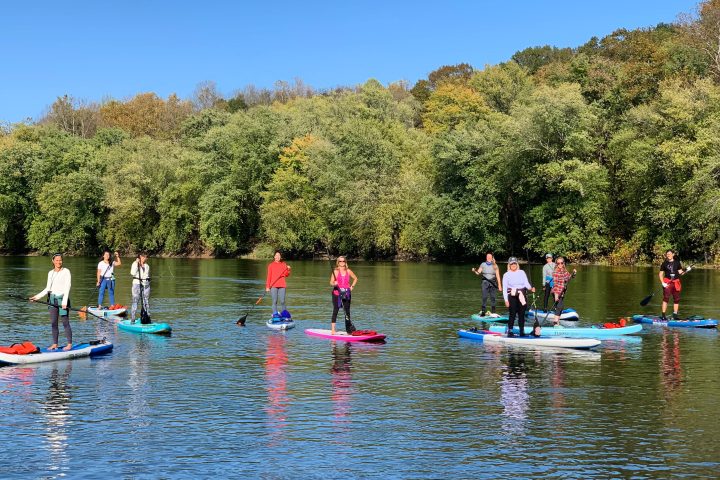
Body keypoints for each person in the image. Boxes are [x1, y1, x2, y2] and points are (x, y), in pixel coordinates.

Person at [30, 253, 73, 351]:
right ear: (53, 261)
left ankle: (69, 344)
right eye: (57, 260)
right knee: (54, 323)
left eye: (60, 260)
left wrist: (65, 301)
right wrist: (36, 297)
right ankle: (55, 344)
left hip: (63, 300)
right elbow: (47, 289)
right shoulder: (50, 273)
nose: (59, 262)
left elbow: (68, 287)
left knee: (65, 322)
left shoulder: (66, 271)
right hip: (52, 300)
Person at [502, 257, 535, 337]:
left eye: (514, 263)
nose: (513, 265)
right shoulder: (506, 275)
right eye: (511, 263)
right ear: (509, 265)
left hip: (522, 295)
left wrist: (531, 288)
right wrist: (506, 300)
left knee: (522, 314)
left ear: (517, 264)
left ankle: (521, 330)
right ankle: (510, 330)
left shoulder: (522, 272)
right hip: (512, 296)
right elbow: (504, 289)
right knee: (512, 314)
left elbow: (526, 283)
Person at [329, 256, 358, 335]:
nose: (342, 263)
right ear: (338, 262)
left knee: (347, 312)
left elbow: (355, 278)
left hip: (346, 293)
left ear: (345, 262)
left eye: (343, 261)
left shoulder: (348, 271)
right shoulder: (335, 271)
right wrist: (334, 283)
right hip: (337, 293)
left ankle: (349, 331)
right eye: (340, 261)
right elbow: (331, 282)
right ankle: (333, 330)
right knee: (336, 310)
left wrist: (352, 287)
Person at [471, 252, 502, 316]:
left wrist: (499, 285)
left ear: (492, 257)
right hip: (485, 283)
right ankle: (483, 312)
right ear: (486, 257)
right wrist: (474, 271)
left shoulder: (495, 265)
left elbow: (498, 276)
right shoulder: (483, 264)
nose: (489, 257)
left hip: (493, 283)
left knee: (493, 298)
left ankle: (493, 312)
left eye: (490, 256)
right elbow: (478, 273)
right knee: (484, 297)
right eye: (487, 256)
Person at [550, 256, 576, 326]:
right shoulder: (555, 272)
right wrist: (556, 295)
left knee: (560, 307)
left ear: (563, 263)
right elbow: (555, 285)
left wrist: (573, 273)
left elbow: (569, 278)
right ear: (556, 264)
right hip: (556, 292)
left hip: (562, 292)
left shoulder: (564, 271)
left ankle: (556, 322)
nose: (560, 265)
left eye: (561, 263)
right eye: (558, 263)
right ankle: (555, 322)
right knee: (560, 306)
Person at [659, 249, 684, 320]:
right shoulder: (664, 263)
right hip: (667, 283)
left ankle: (675, 315)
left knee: (677, 299)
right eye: (667, 254)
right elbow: (660, 274)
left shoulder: (677, 263)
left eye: (670, 254)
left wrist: (687, 270)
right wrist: (662, 283)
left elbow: (680, 272)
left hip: (676, 283)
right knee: (666, 298)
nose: (668, 255)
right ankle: (663, 315)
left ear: (673, 254)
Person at [266, 250, 291, 319]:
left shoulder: (283, 264)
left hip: (282, 285)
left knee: (282, 301)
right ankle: (275, 314)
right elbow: (269, 276)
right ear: (274, 257)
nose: (278, 257)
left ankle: (285, 315)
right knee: (274, 301)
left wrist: (288, 269)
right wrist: (267, 287)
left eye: (279, 256)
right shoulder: (271, 265)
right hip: (273, 286)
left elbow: (286, 275)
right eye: (276, 255)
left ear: (281, 257)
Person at [130, 252, 150, 322]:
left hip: (145, 284)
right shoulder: (135, 264)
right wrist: (136, 263)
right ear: (140, 257)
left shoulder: (147, 266)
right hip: (136, 284)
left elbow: (146, 275)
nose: (145, 258)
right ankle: (133, 318)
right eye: (144, 257)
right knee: (135, 301)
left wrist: (147, 281)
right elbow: (132, 273)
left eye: (146, 257)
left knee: (146, 301)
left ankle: (147, 316)